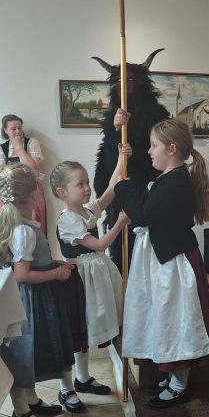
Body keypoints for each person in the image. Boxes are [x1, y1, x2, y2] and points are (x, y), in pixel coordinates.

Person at [114, 119, 209, 409]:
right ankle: (171, 375)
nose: (149, 151)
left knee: (176, 319)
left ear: (172, 149)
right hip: (162, 260)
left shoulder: (177, 182)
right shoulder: (168, 178)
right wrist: (124, 154)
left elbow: (143, 215)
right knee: (164, 317)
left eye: (154, 146)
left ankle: (179, 384)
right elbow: (147, 197)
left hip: (174, 263)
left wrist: (121, 189)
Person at [0, 165, 86, 417]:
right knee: (25, 353)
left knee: (33, 351)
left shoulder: (24, 226)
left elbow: (31, 262)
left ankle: (31, 400)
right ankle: (21, 411)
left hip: (36, 298)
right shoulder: (24, 231)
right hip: (31, 302)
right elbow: (22, 274)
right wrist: (56, 273)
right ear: (32, 195)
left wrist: (52, 263)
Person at [50, 149, 131, 394]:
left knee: (87, 328)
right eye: (80, 184)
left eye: (87, 182)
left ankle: (83, 378)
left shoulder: (86, 210)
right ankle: (76, 380)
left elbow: (110, 191)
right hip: (81, 280)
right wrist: (120, 223)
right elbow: (100, 244)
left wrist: (121, 158)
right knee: (81, 327)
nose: (87, 188)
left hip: (96, 277)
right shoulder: (68, 220)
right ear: (62, 192)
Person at [92, 50, 169, 269]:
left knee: (146, 244)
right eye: (117, 81)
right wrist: (115, 128)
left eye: (129, 80)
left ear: (141, 83)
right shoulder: (112, 116)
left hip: (147, 186)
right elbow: (108, 156)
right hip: (121, 188)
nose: (122, 85)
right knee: (120, 243)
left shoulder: (157, 114)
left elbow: (162, 152)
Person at [0, 114, 47, 233]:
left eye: (19, 128)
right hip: (8, 188)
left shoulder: (31, 143)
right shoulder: (1, 148)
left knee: (31, 223)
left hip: (30, 188)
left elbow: (33, 168)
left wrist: (19, 148)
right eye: (13, 129)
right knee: (8, 224)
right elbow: (0, 174)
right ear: (5, 130)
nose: (18, 131)